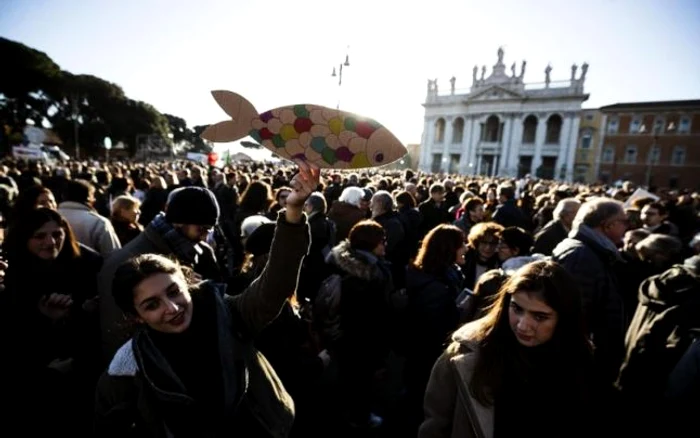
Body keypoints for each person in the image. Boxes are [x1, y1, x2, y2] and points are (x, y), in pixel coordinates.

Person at [94, 161, 319, 437]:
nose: (173, 308)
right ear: (136, 316)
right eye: (152, 305)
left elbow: (275, 286)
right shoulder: (126, 370)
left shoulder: (227, 312)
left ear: (188, 284)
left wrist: (293, 211)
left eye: (174, 291)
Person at [420, 261, 600, 438]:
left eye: (539, 316)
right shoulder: (466, 354)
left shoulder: (580, 363)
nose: (523, 325)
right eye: (517, 308)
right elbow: (435, 426)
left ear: (563, 319)